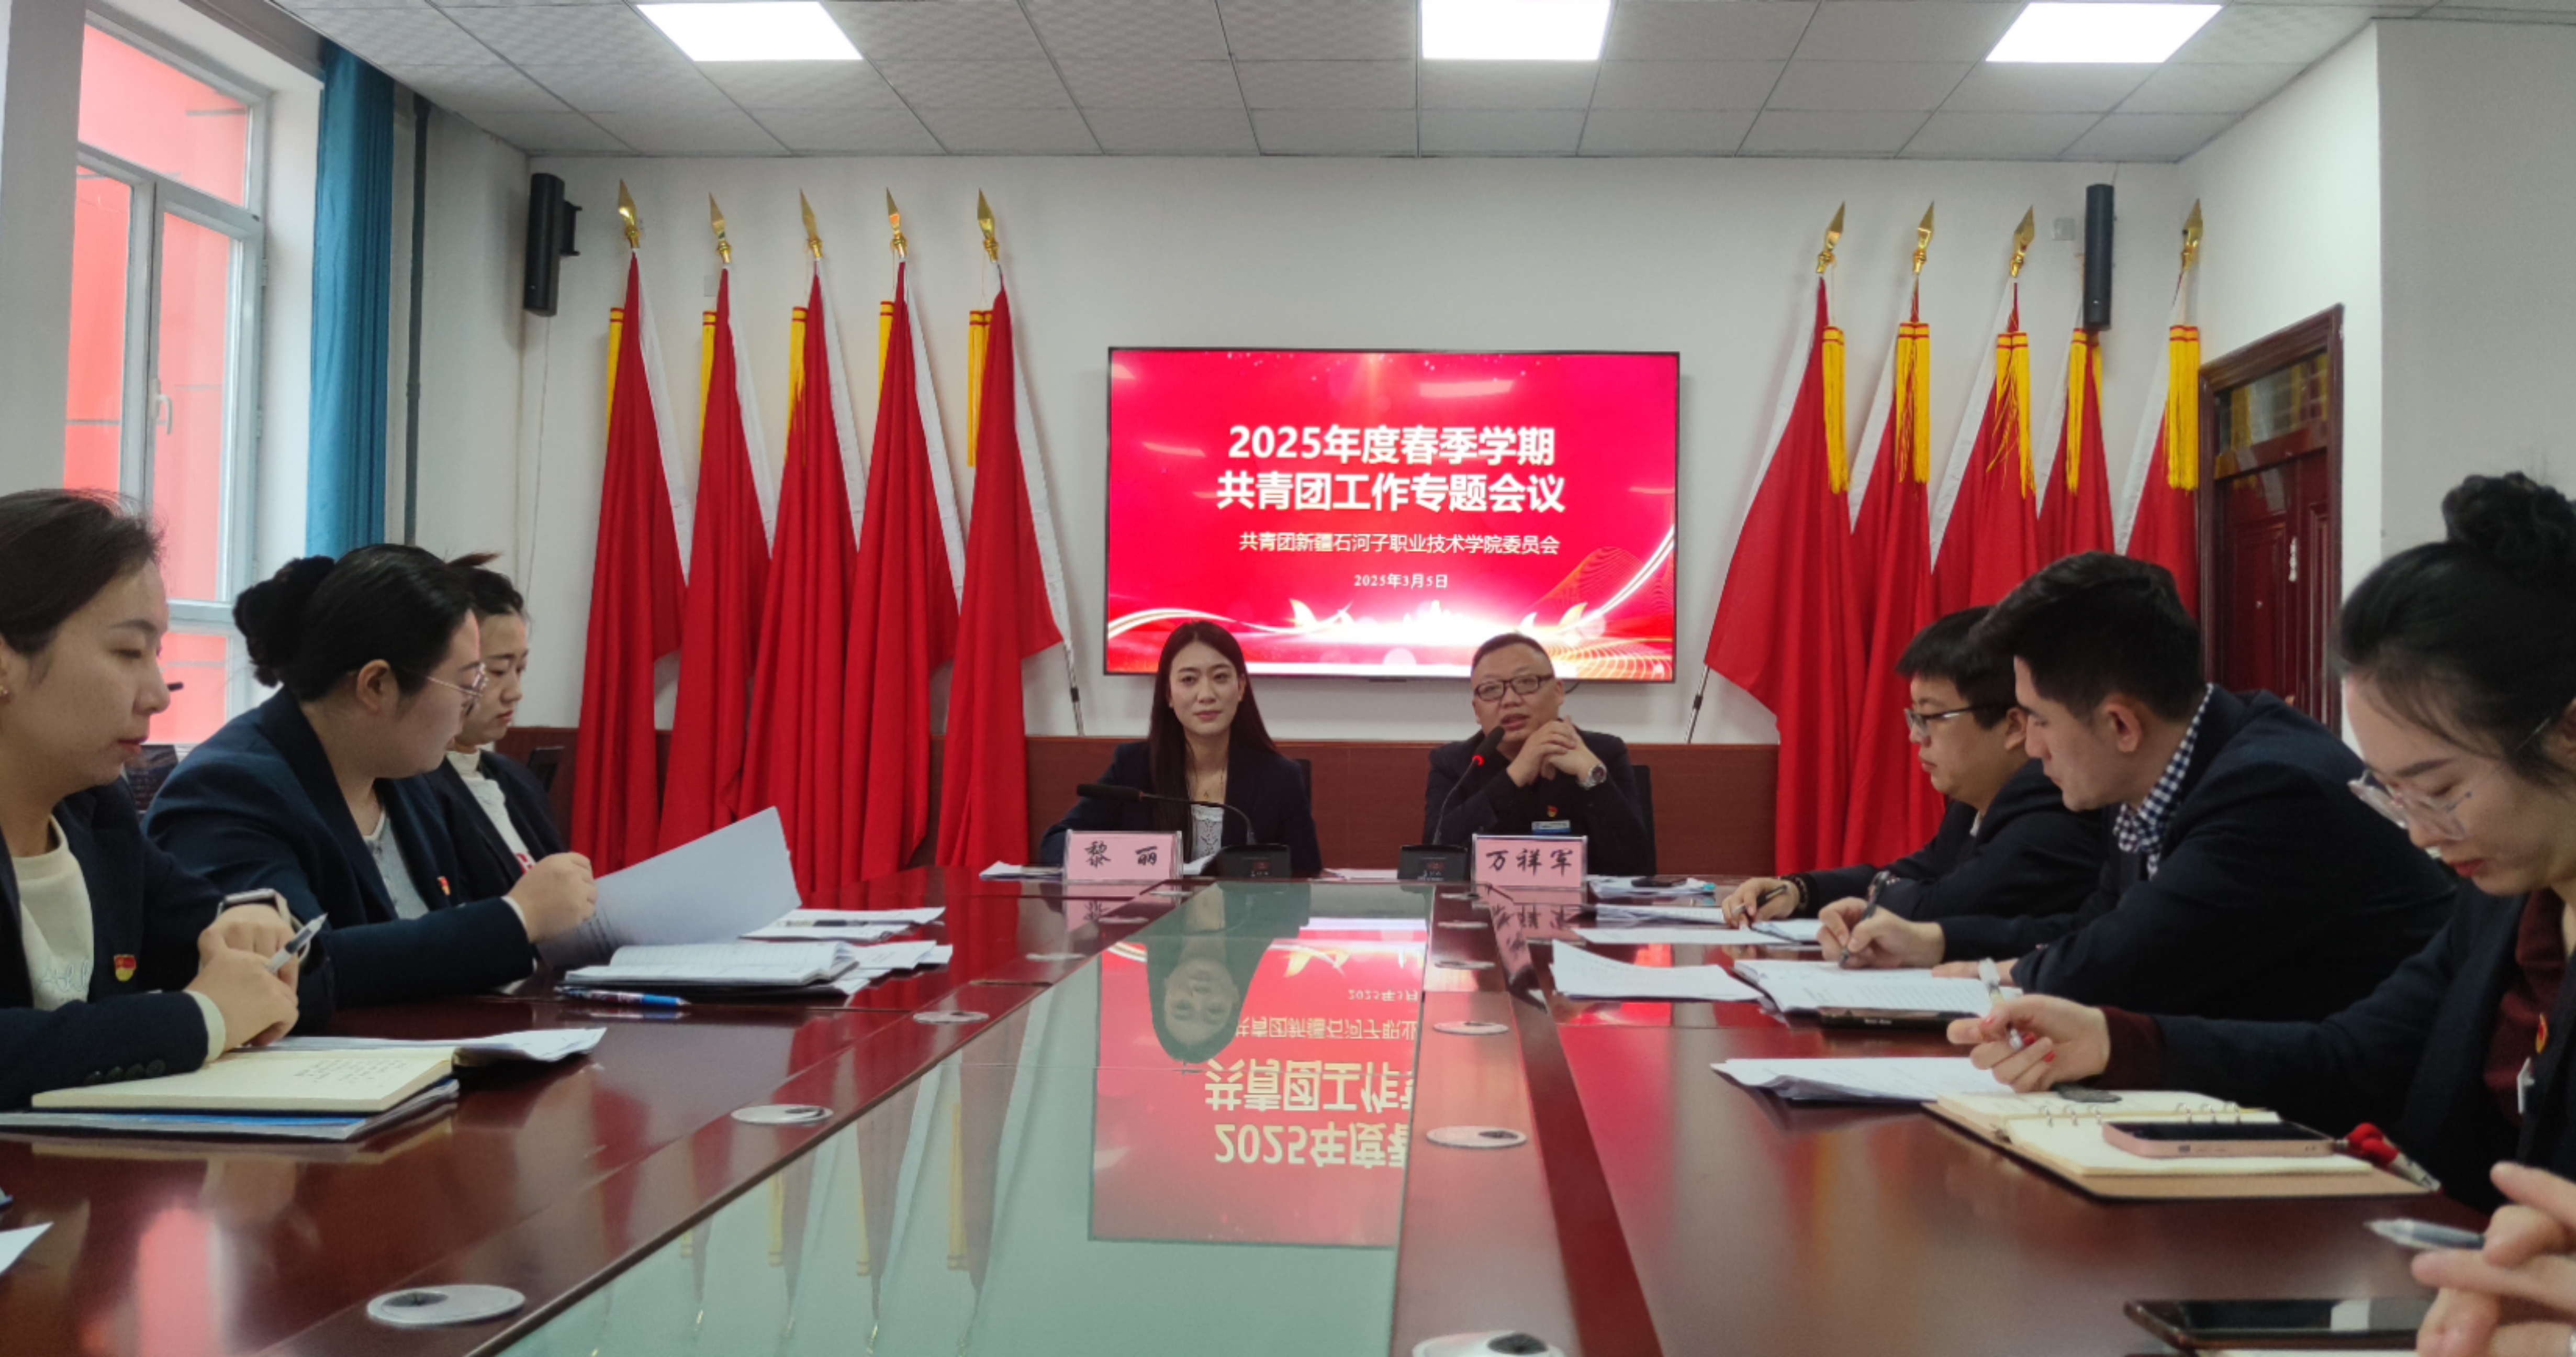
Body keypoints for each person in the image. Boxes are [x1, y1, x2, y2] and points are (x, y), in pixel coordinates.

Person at [1951, 474, 2576, 1216]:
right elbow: (2351, 1058)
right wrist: (2116, 1042)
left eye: (2438, 789)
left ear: (2567, 733)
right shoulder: (2502, 906)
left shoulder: (2278, 787)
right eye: (2391, 793)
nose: (2417, 833)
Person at [1832, 551, 2452, 1021]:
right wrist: (1937, 942)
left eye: (2039, 720)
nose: (2031, 747)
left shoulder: (2272, 790)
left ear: (2120, 725)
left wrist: (1993, 976)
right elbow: (2096, 924)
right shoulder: (2145, 772)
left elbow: (2124, 962)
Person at [148, 547, 597, 1007]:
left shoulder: (408, 776)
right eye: (467, 685)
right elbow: (297, 967)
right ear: (376, 685)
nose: (469, 707)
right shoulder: (230, 789)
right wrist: (518, 918)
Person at [0, 490, 327, 1109]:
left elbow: (291, 978)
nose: (157, 695)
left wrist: (258, 930)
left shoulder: (97, 815)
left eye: (156, 655)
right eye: (128, 652)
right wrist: (200, 1018)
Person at [1720, 608, 2107, 932]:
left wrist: (1877, 894)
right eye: (1914, 717)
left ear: (2013, 727)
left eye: (1932, 717)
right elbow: (1914, 874)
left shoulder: (2050, 804)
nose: (1915, 736)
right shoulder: (1976, 802)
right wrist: (1799, 891)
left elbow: (1940, 906)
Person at [1043, 621, 1321, 876]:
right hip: (1156, 917)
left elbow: (1306, 874)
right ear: (1169, 694)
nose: (1206, 695)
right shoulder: (1133, 768)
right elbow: (1056, 845)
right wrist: (1133, 859)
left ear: (1240, 688)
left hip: (1247, 916)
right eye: (1189, 680)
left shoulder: (1280, 778)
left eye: (1220, 677)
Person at [1423, 632, 1653, 876]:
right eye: (1491, 689)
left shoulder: (1603, 753)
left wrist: (1591, 776)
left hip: (1582, 902)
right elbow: (1433, 861)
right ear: (1477, 711)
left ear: (1558, 692)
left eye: (1526, 682)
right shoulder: (1455, 764)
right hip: (1483, 902)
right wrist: (1516, 774)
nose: (1510, 700)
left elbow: (1637, 866)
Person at [421, 554, 563, 902]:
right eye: (498, 672)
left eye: (521, 669)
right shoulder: (414, 793)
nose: (515, 692)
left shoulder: (518, 780)